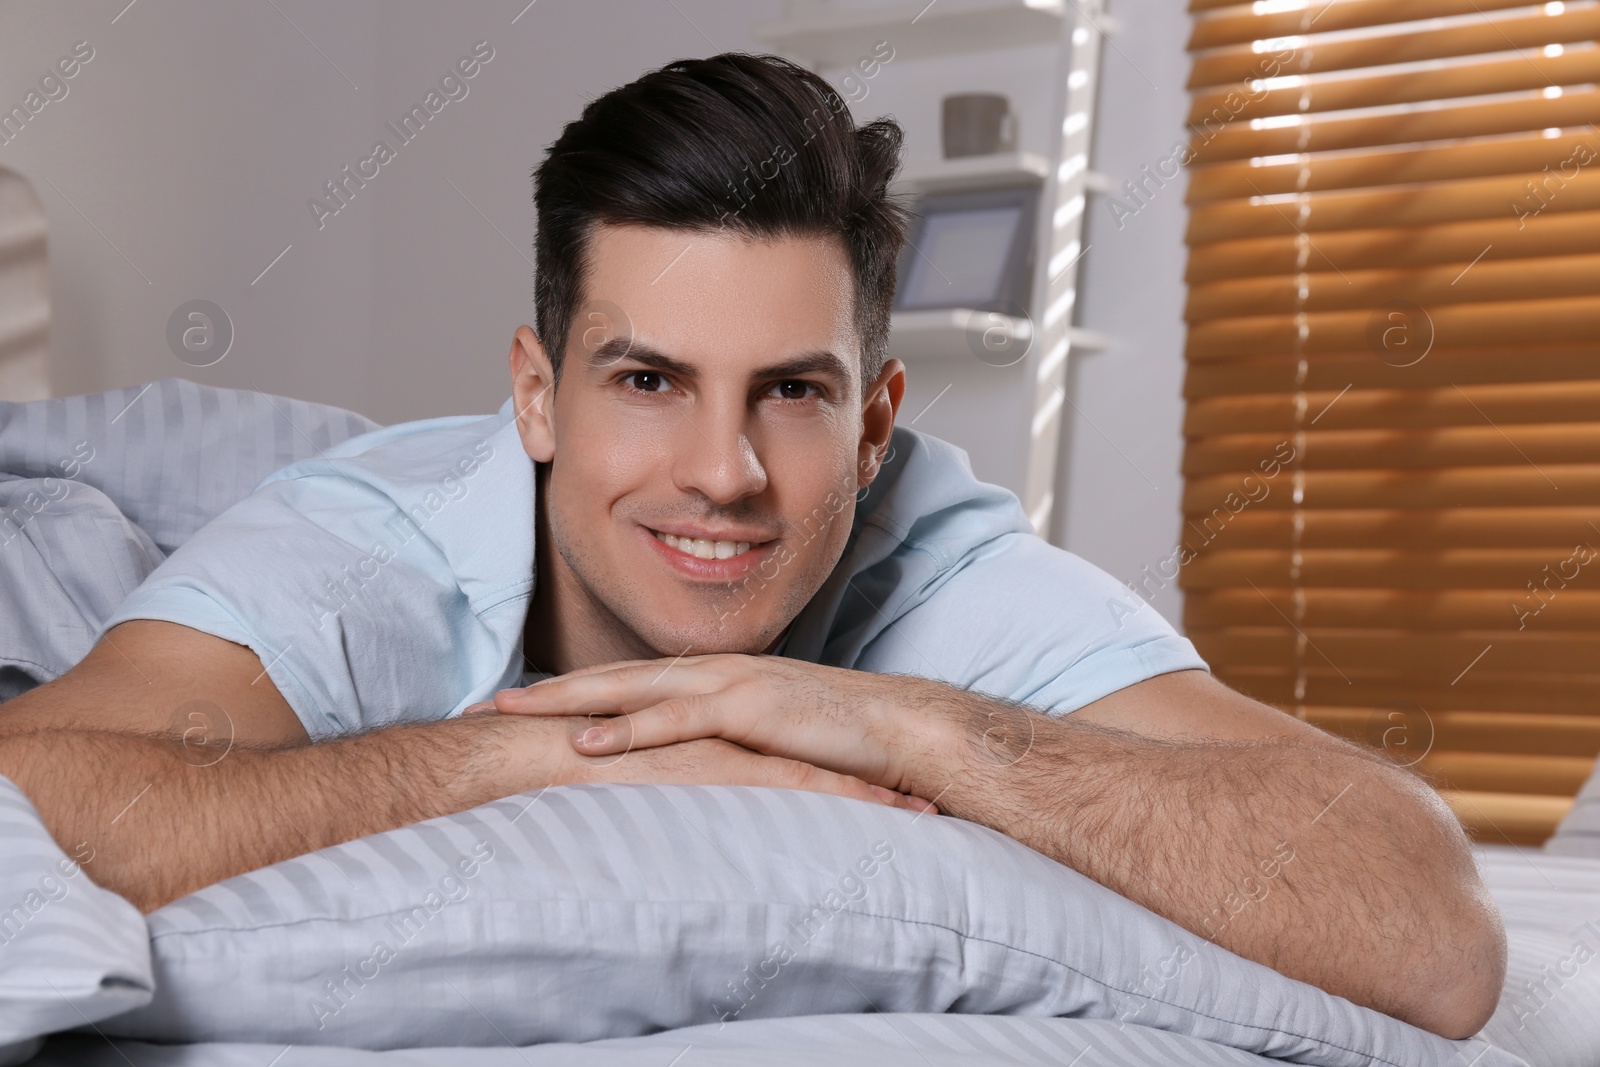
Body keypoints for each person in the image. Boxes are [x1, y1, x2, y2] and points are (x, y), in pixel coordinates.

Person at [0, 52, 1503, 1038]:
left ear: (873, 423)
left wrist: (885, 723)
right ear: (537, 393)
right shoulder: (365, 546)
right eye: (648, 381)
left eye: (791, 392)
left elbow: (1426, 926)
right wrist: (558, 752)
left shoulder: (936, 556)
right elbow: (45, 786)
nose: (723, 476)